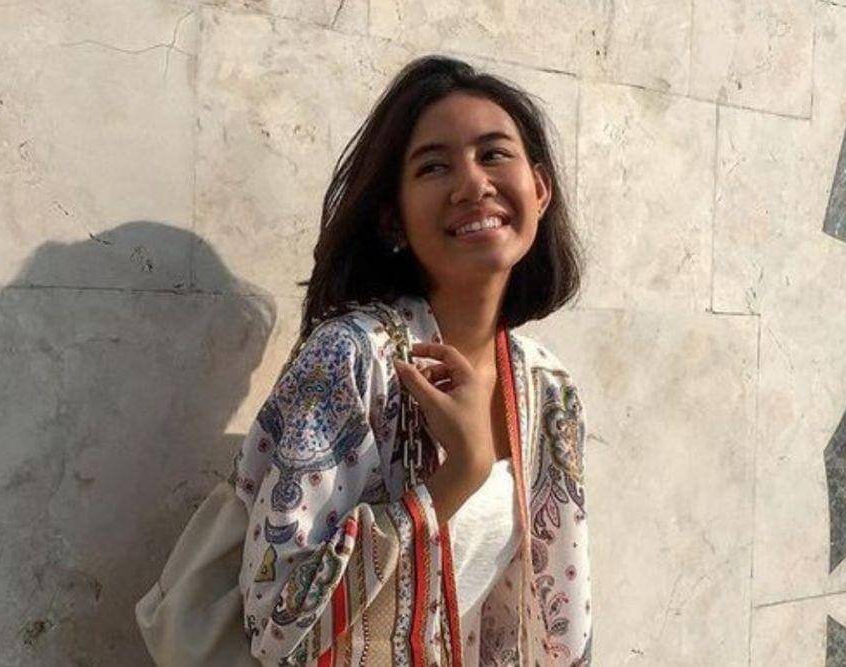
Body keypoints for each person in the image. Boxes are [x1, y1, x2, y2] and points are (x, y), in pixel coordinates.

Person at [231, 54, 591, 665]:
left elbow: (562, 616)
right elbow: (276, 625)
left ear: (540, 190)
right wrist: (459, 474)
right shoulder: (349, 360)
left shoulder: (547, 386)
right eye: (434, 166)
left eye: (493, 154)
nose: (472, 184)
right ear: (393, 217)